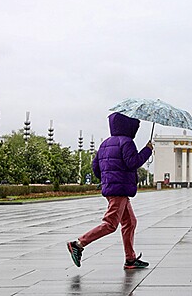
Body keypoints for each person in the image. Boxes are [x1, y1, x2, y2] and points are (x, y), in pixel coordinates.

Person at [67, 112, 153, 269]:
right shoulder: (127, 142)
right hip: (119, 189)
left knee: (129, 222)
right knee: (110, 224)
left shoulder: (105, 143)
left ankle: (130, 259)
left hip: (113, 188)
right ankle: (78, 244)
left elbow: (95, 167)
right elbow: (132, 163)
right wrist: (147, 150)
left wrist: (107, 179)